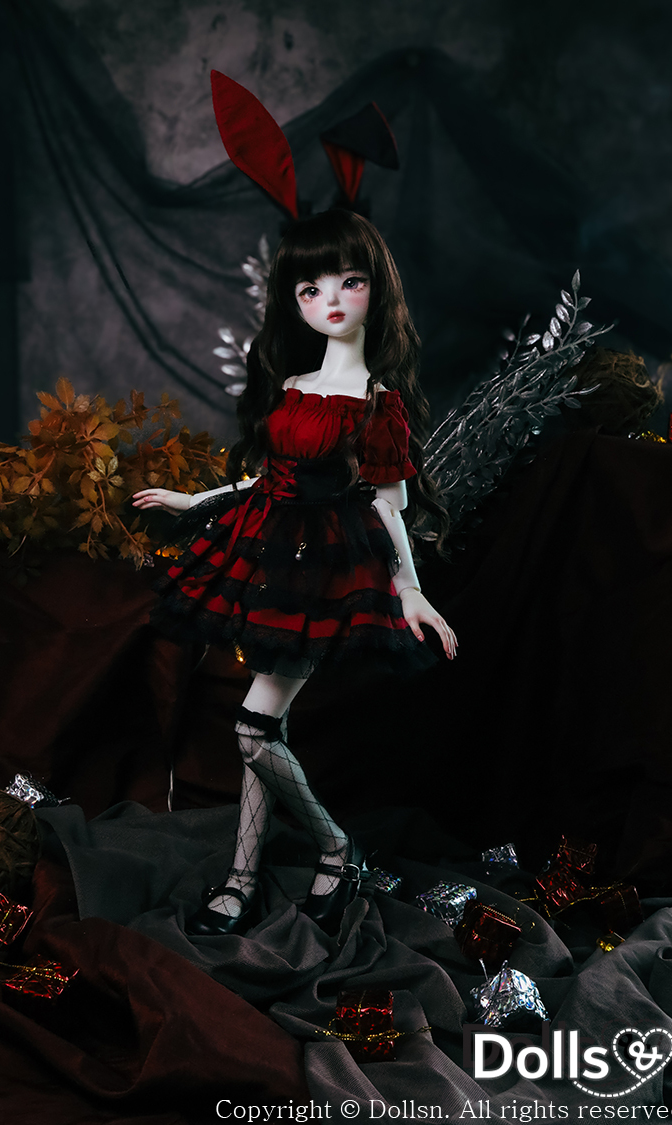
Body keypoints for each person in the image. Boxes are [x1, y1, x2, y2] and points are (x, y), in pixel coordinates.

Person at [133, 209, 457, 936]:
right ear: (294, 301)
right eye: (311, 288)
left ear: (377, 287)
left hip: (324, 575)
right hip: (267, 556)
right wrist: (196, 500)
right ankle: (242, 878)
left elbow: (388, 503)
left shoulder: (378, 402)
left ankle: (335, 846)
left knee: (253, 730)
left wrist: (409, 588)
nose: (331, 299)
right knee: (266, 724)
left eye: (349, 281)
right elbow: (268, 479)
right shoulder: (295, 382)